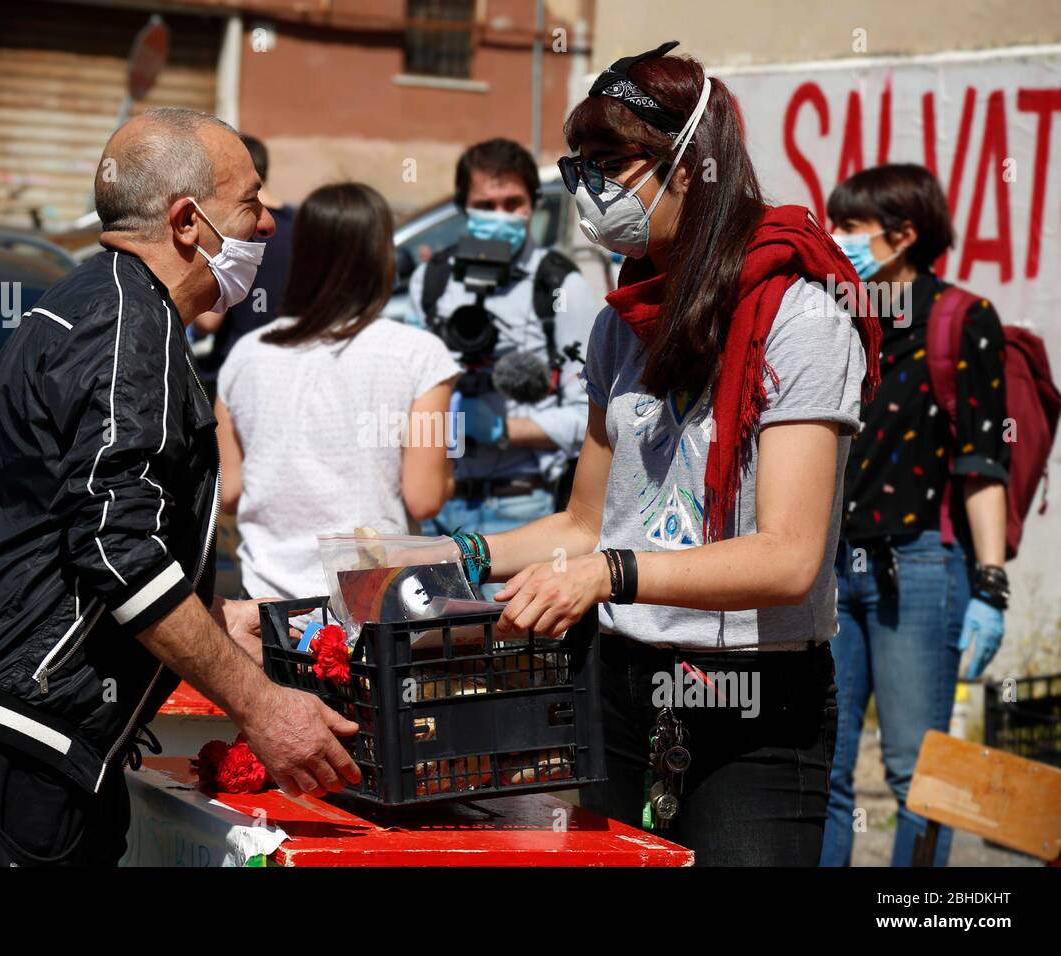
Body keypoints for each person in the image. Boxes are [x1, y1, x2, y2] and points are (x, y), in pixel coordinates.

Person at [435, 41, 882, 865]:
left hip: (753, 707)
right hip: (620, 686)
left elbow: (787, 559)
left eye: (612, 162)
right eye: (581, 167)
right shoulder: (620, 323)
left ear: (691, 162)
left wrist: (611, 573)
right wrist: (452, 556)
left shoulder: (800, 317)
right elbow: (581, 523)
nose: (591, 190)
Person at [0, 108, 361, 866]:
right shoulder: (124, 323)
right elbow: (115, 546)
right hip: (10, 744)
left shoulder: (104, 303)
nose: (270, 223)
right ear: (187, 221)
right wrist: (261, 703)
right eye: (251, 203)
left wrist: (211, 617)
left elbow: (75, 531)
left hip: (21, 739)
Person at [819, 164, 1011, 868]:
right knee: (827, 773)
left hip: (922, 567)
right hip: (832, 569)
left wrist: (991, 583)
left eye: (850, 227)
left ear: (903, 235)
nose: (836, 238)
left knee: (917, 776)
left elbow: (982, 461)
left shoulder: (963, 318)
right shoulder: (836, 312)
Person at [215, 182, 460, 607]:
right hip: (373, 609)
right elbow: (425, 497)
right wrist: (448, 470)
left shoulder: (245, 355)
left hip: (264, 607)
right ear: (382, 255)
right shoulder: (421, 355)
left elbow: (230, 492)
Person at [407, 139, 598, 567]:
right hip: (441, 502)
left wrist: (502, 429)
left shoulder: (560, 286)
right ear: (463, 206)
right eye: (486, 205)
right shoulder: (431, 281)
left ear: (533, 204)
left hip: (523, 507)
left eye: (513, 203)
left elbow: (591, 419)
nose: (500, 217)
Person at [191, 133, 296, 395]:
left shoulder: (236, 229)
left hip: (235, 371)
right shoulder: (305, 226)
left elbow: (208, 322)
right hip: (290, 371)